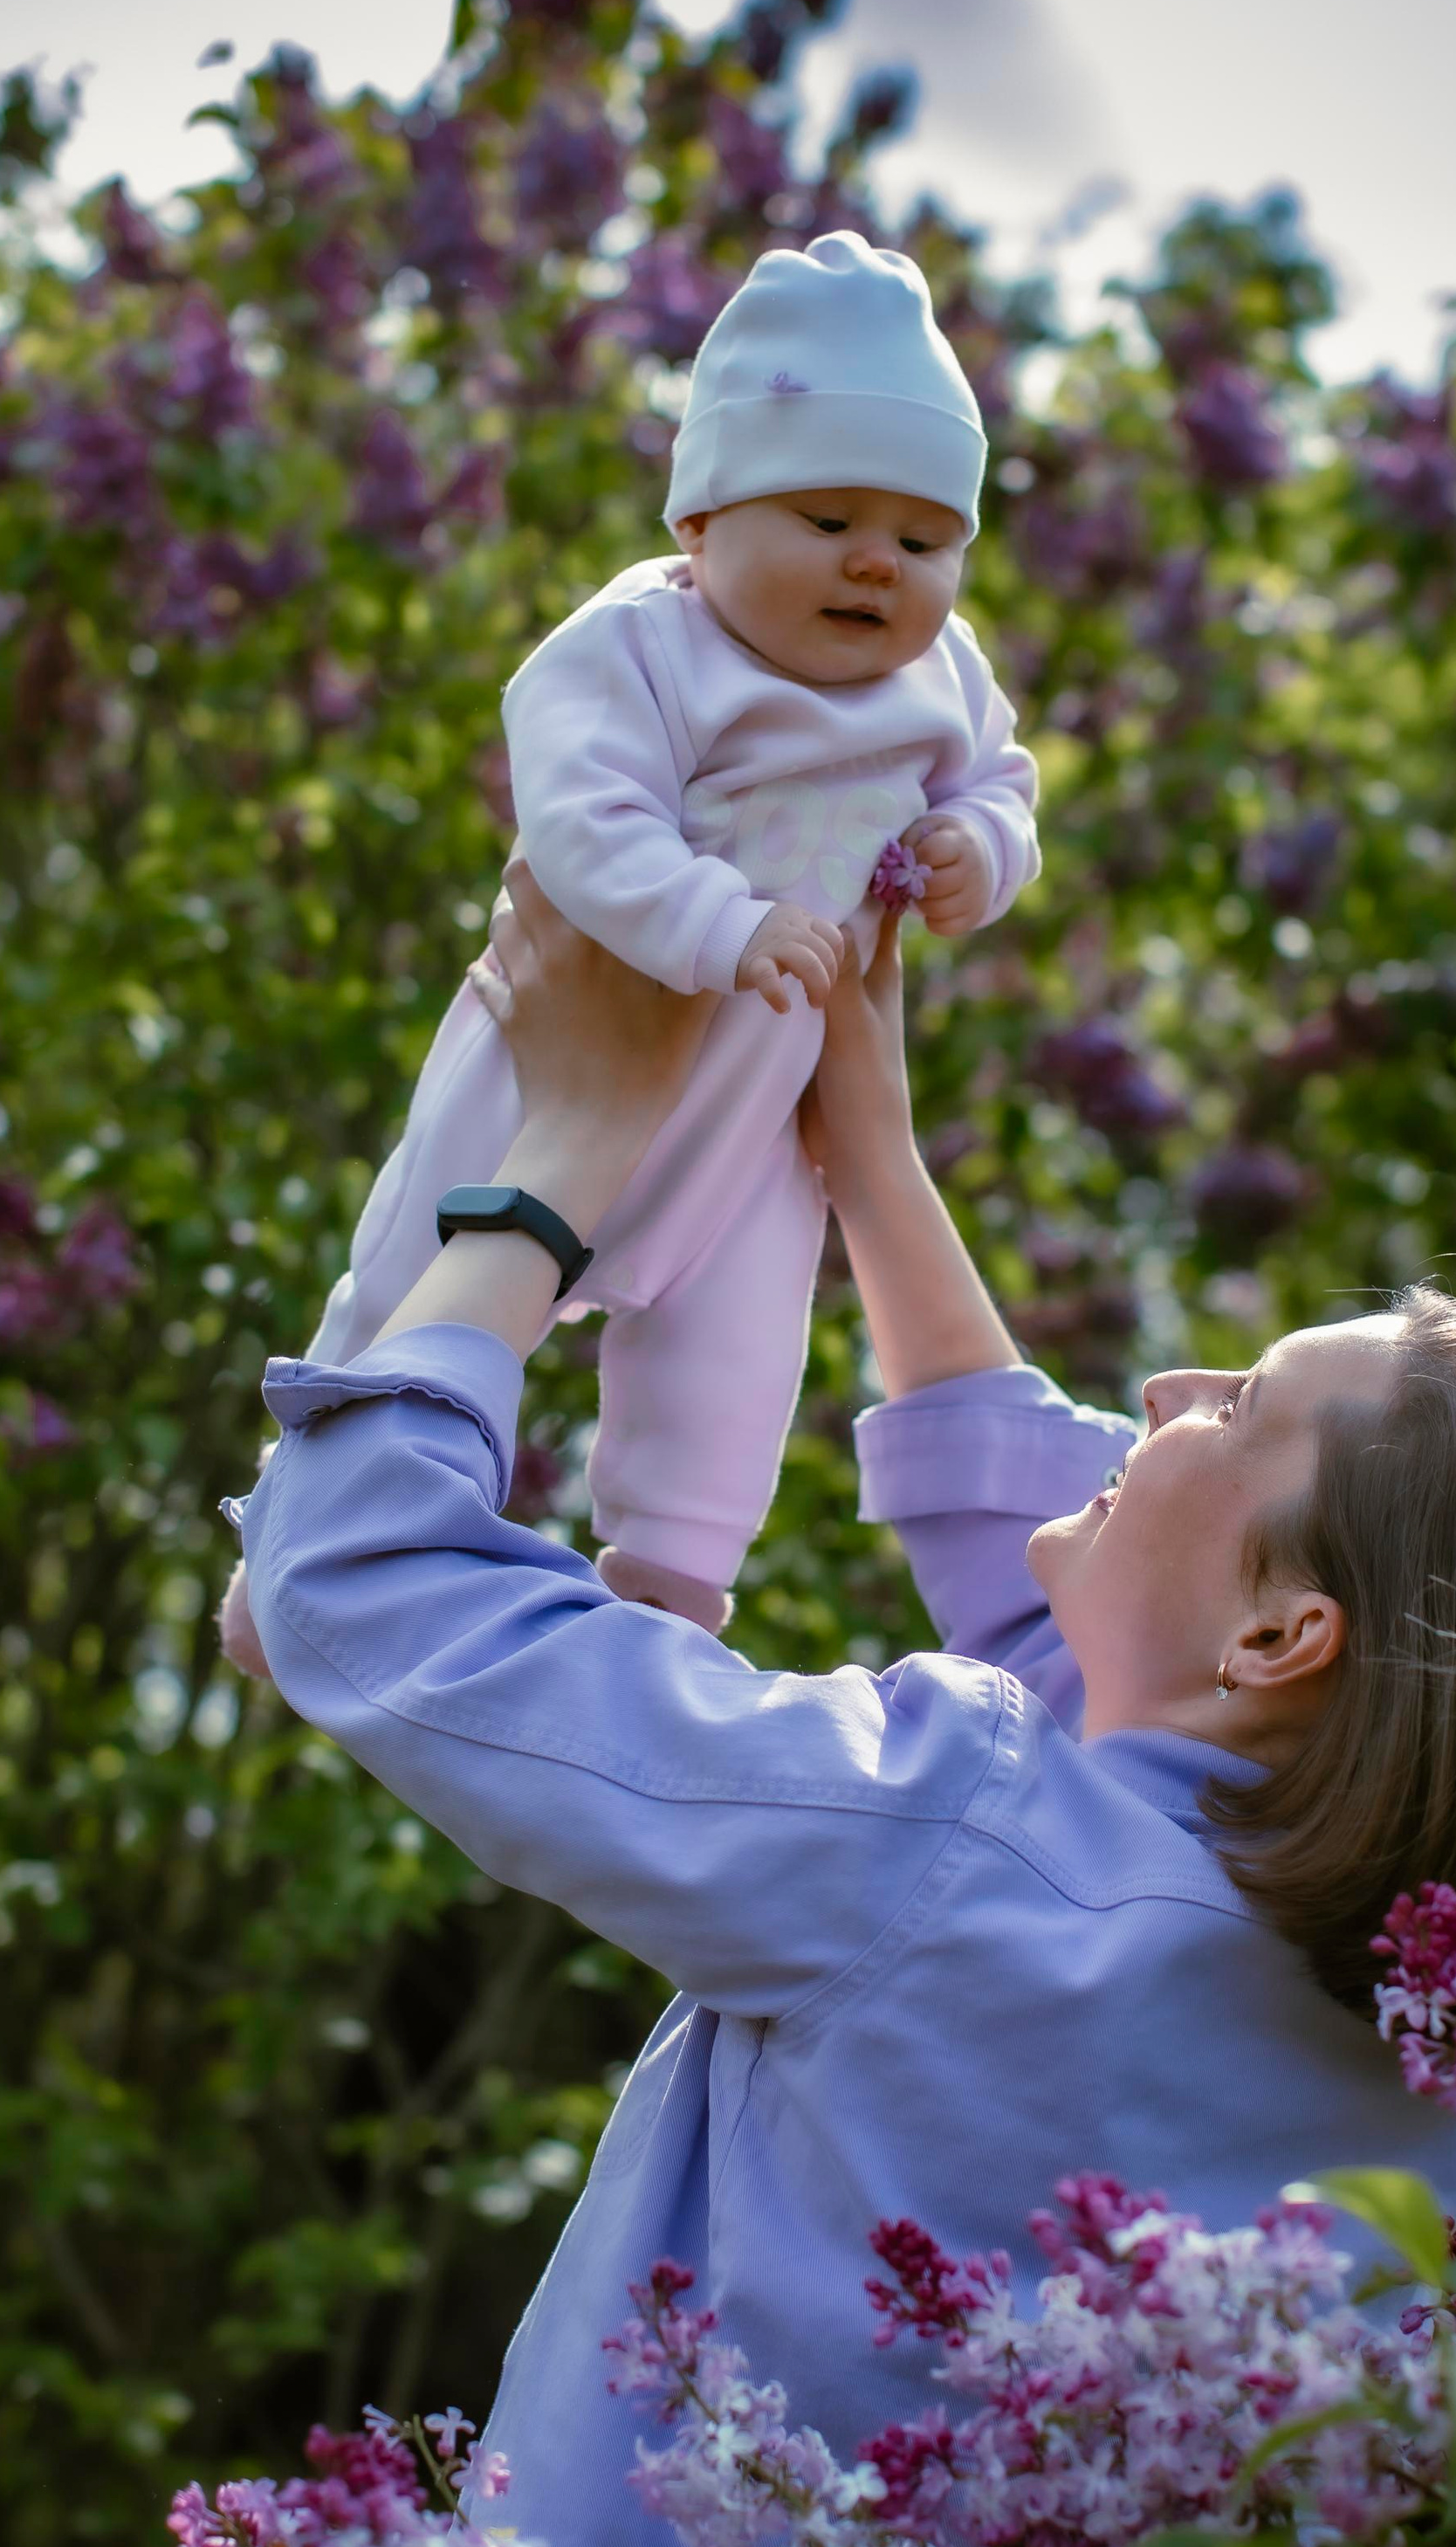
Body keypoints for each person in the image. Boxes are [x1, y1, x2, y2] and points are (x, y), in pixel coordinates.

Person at [225, 864, 1456, 2547]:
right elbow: (1110, 1672)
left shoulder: (948, 1841)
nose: (1164, 1392)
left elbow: (364, 1584)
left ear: (1288, 1634)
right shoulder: (1442, 2068)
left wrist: (563, 1151)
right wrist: (865, 1149)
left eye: (1240, 1406)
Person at [226, 230, 1040, 1655]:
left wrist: (983, 852)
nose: (874, 564)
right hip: (561, 1051)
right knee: (416, 1267)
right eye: (825, 515)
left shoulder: (944, 678)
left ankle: (670, 1578)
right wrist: (717, 923)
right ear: (702, 525)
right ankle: (290, 1526)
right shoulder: (640, 648)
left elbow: (999, 782)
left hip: (766, 1105)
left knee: (735, 1345)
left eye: (922, 539)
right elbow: (583, 822)